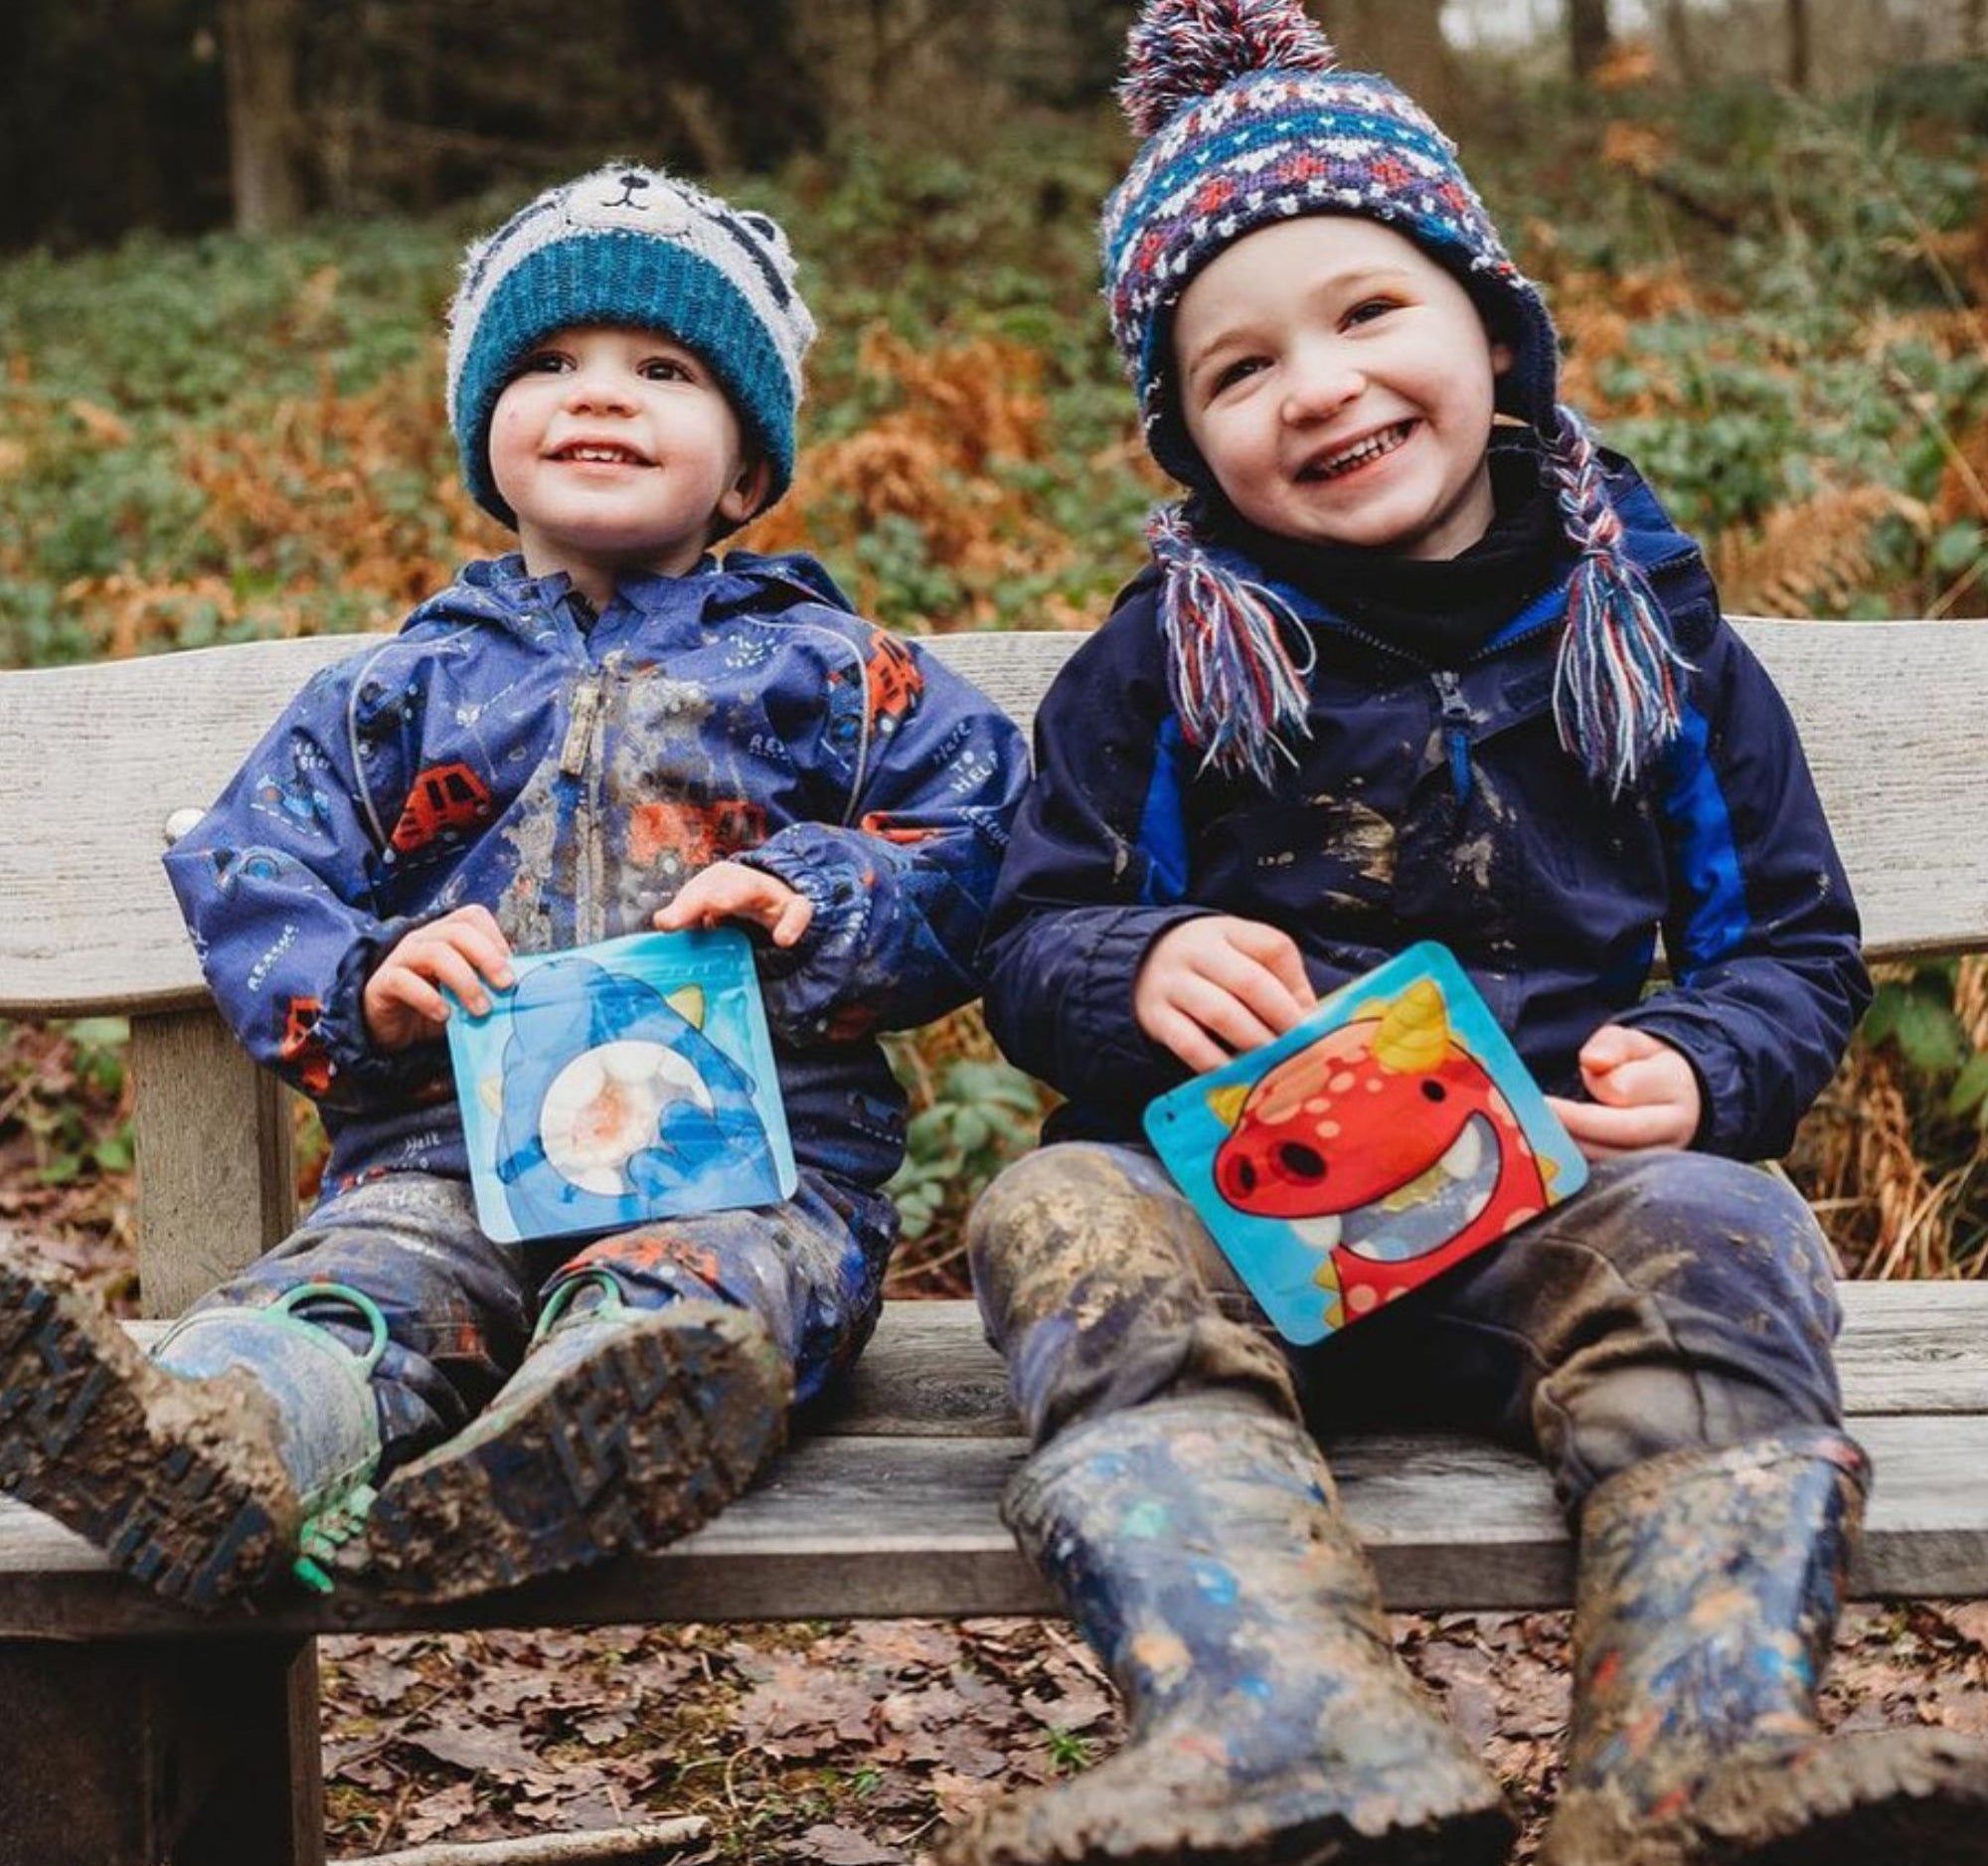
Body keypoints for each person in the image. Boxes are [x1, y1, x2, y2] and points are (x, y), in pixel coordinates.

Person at [945, 6, 1988, 1864]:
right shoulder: (1164, 662)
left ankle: (1697, 1745)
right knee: (1051, 1212)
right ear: (1181, 433)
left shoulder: (1649, 631)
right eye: (1236, 364)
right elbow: (1033, 929)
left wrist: (1702, 1061)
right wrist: (1137, 964)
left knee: (1734, 1219)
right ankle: (1277, 1720)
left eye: (1369, 312)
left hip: (1551, 1213)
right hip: (1241, 1229)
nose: (1320, 386)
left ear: (1489, 324)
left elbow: (1796, 950)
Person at [0, 163, 1028, 1610]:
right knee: (354, 1297)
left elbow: (987, 831)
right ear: (490, 438)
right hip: (443, 1159)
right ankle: (206, 1435)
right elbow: (251, 863)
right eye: (548, 362)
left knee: (682, 1298)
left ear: (744, 466)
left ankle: (582, 1443)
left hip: (750, 1166)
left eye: (661, 366)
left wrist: (822, 893)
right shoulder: (402, 687)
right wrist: (367, 983)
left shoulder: (833, 674)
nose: (598, 391)